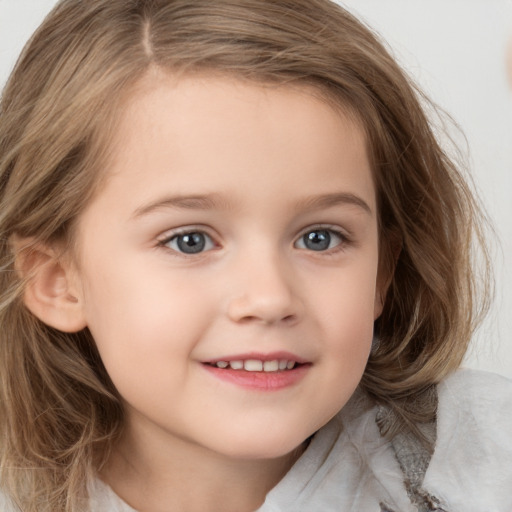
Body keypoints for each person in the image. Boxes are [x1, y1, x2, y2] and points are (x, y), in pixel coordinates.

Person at [0, 1, 510, 511]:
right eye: (189, 240)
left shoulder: (486, 459)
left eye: (320, 238)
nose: (269, 298)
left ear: (381, 272)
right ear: (57, 280)